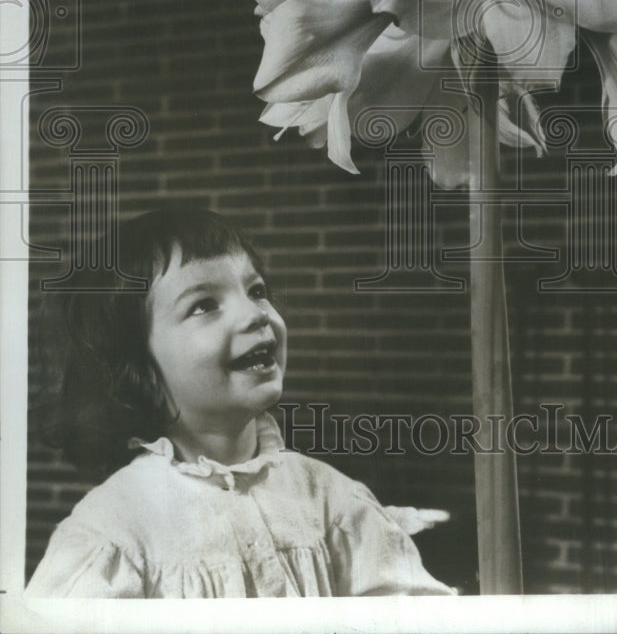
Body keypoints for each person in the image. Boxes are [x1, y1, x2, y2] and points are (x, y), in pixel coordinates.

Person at [26, 206, 454, 598]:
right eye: (204, 305)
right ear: (139, 373)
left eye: (256, 289)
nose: (255, 314)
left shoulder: (332, 501)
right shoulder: (113, 531)